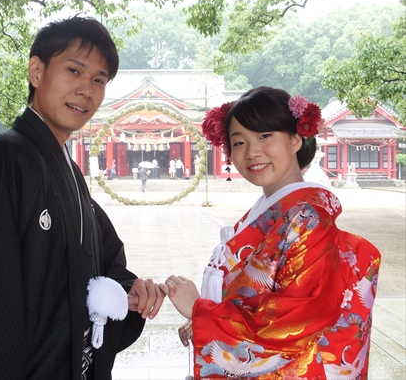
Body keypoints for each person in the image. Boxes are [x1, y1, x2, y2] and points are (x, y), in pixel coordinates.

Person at [0, 16, 165, 380]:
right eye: (74, 70)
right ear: (36, 71)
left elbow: (100, 262)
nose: (87, 90)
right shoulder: (5, 160)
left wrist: (127, 292)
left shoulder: (67, 170)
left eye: (99, 80)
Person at [159, 86, 381, 379]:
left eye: (265, 136)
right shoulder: (274, 212)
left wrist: (202, 313)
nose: (252, 152)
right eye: (239, 142)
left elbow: (296, 323)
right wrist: (207, 323)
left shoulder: (307, 218)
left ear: (295, 138)